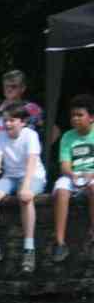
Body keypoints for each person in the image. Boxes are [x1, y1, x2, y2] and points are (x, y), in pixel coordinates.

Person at [0, 102, 46, 273]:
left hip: (33, 176)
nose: (7, 124)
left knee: (25, 199)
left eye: (12, 120)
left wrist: (25, 188)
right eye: (5, 120)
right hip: (10, 176)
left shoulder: (30, 135)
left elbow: (31, 163)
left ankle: (29, 248)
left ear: (22, 122)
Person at [51, 94, 94, 262]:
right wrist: (72, 175)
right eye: (73, 115)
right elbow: (65, 165)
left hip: (92, 175)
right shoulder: (67, 136)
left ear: (91, 117)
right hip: (74, 175)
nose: (75, 119)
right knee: (61, 189)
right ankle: (60, 243)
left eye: (79, 115)